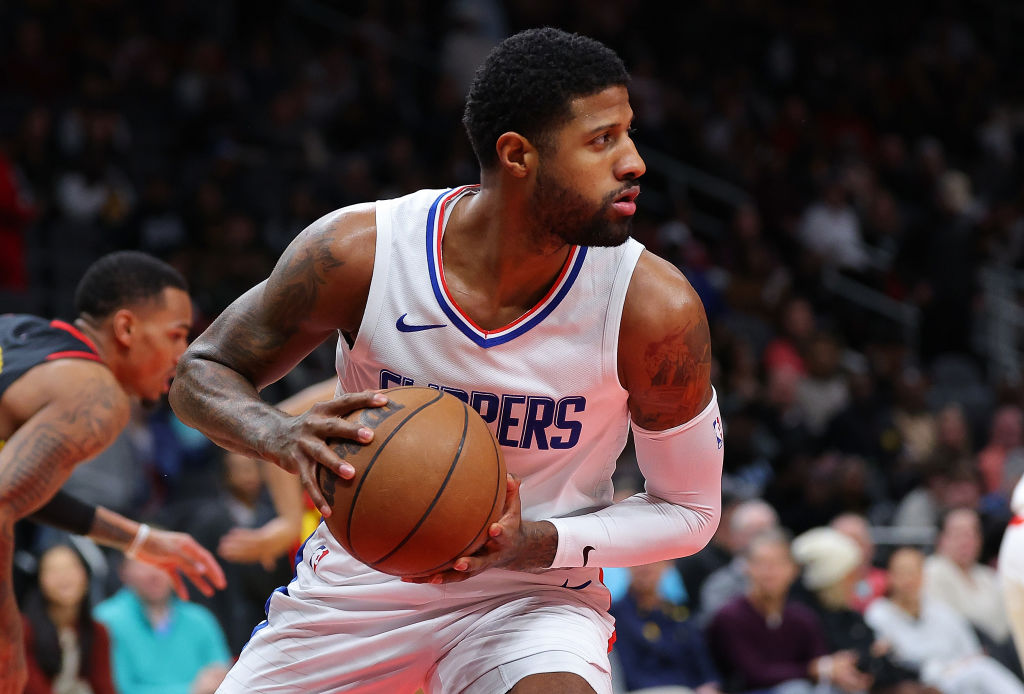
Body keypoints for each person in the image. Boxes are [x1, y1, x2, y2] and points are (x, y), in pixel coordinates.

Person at [170, 27, 723, 694]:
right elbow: (200, 372)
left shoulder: (653, 309)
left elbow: (690, 512)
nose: (634, 162)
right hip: (360, 585)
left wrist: (536, 541)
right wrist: (281, 435)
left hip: (531, 594)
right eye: (602, 140)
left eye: (628, 134)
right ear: (518, 155)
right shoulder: (361, 254)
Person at [0, 250, 227, 693]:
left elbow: (19, 488)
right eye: (177, 335)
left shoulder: (20, 333)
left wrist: (137, 539)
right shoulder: (98, 395)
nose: (183, 356)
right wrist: (7, 645)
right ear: (126, 329)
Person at [705, 529, 868, 694]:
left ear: (793, 570)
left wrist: (841, 669)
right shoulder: (730, 617)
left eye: (778, 563)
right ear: (746, 567)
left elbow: (820, 661)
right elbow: (753, 674)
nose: (769, 571)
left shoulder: (802, 616)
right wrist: (813, 670)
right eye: (761, 562)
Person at [790, 527, 936, 694]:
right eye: (850, 576)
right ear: (833, 579)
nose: (856, 582)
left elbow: (875, 659)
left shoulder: (849, 615)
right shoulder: (802, 617)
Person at [865, 547, 1024, 694]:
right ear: (890, 576)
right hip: (920, 680)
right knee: (980, 672)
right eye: (903, 572)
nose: (909, 579)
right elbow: (891, 657)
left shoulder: (940, 609)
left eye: (914, 572)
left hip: (958, 675)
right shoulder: (878, 614)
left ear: (923, 575)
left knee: (981, 670)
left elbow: (971, 650)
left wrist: (957, 666)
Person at [94, 556, 231, 694]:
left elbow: (223, 678)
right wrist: (190, 690)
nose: (155, 573)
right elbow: (116, 688)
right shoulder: (106, 621)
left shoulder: (199, 619)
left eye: (164, 563)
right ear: (123, 572)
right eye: (144, 563)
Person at [609, 560, 722, 694]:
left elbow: (704, 667)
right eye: (638, 561)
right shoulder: (615, 617)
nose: (646, 567)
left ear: (668, 564)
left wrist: (709, 685)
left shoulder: (679, 615)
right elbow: (630, 676)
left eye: (655, 561)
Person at [21, 542, 115, 694]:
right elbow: (30, 687)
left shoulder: (98, 631)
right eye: (53, 570)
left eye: (70, 568)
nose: (63, 577)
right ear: (40, 580)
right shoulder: (22, 630)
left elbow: (103, 686)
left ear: (85, 575)